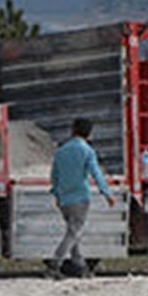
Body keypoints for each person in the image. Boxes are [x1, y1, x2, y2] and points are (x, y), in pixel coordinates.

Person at [47, 118, 115, 279]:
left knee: (73, 233)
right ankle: (55, 265)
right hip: (80, 198)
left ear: (73, 130)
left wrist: (56, 194)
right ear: (89, 134)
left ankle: (81, 267)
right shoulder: (87, 151)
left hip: (64, 199)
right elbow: (96, 174)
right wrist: (107, 193)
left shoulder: (61, 151)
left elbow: (54, 175)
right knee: (73, 233)